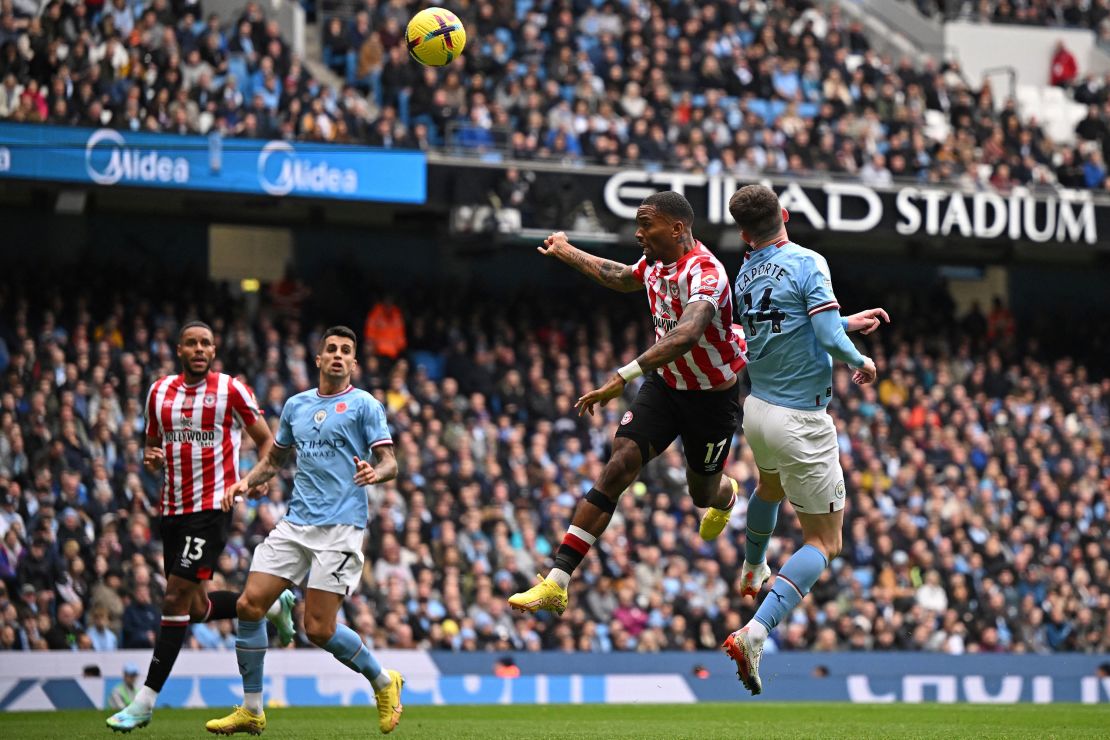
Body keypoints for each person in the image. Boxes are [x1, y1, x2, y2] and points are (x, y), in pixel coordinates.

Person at [509, 191, 747, 616]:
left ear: (677, 228)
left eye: (646, 224)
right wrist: (565, 251)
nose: (639, 233)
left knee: (701, 491)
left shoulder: (706, 272)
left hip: (713, 399)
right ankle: (557, 581)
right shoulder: (656, 262)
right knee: (620, 463)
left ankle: (726, 496)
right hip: (667, 387)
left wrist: (623, 375)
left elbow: (688, 334)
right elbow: (621, 277)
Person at [720, 184, 885, 695]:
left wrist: (844, 320)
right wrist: (861, 358)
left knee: (769, 487)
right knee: (825, 541)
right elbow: (829, 338)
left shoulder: (744, 272)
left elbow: (791, 325)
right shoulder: (808, 261)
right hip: (800, 419)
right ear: (785, 215)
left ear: (746, 233)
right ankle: (756, 630)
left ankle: (752, 568)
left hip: (758, 409)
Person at [205, 326, 404, 736]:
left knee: (318, 629)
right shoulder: (296, 405)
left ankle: (384, 681)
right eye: (330, 349)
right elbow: (275, 460)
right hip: (296, 524)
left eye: (345, 351)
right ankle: (252, 709)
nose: (336, 355)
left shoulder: (365, 405)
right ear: (318, 359)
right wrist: (246, 481)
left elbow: (390, 463)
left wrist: (375, 472)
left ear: (353, 363)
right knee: (248, 605)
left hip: (341, 529)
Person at [107, 321, 296, 733]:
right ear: (179, 350)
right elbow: (151, 447)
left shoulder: (231, 390)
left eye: (205, 343)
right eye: (191, 343)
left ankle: (144, 702)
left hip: (213, 507)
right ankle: (271, 604)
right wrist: (151, 459)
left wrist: (258, 479)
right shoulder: (159, 393)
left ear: (214, 350)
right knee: (195, 608)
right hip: (172, 510)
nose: (199, 349)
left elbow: (268, 442)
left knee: (174, 598)